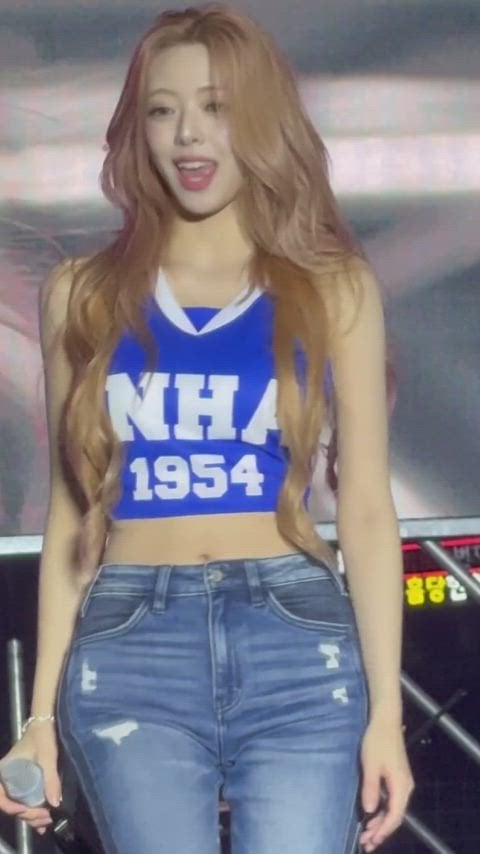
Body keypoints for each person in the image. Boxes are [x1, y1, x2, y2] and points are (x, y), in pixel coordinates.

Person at [0, 4, 413, 852]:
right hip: (131, 646)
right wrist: (38, 720)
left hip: (295, 640)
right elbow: (72, 516)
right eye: (163, 109)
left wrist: (386, 717)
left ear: (260, 121)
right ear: (138, 130)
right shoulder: (82, 293)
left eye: (217, 107)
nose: (188, 134)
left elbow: (369, 510)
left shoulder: (332, 287)